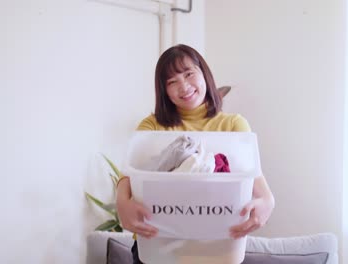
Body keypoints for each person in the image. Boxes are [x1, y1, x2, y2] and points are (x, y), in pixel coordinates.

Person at [116, 44, 275, 263]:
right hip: (158, 247)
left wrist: (267, 200)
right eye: (172, 82)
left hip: (216, 246)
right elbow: (129, 174)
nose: (183, 87)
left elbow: (255, 179)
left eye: (189, 74)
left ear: (204, 74)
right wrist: (121, 202)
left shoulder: (233, 125)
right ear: (164, 91)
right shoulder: (152, 126)